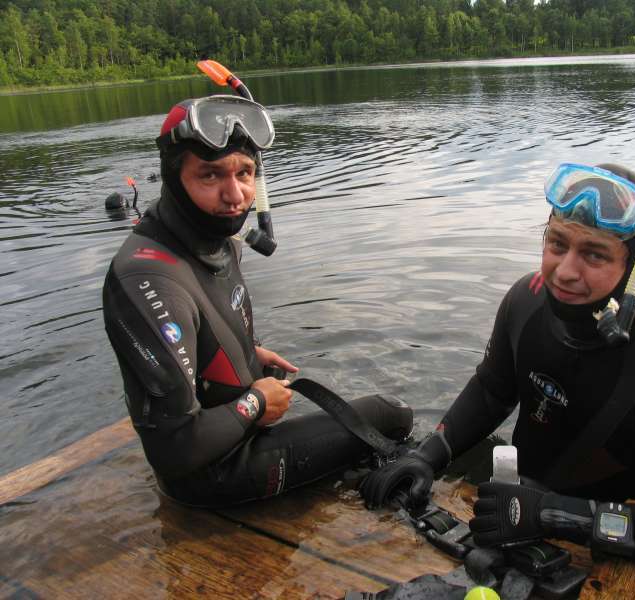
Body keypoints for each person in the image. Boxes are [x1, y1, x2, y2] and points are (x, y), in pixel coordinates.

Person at [361, 162, 635, 564]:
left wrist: (556, 516)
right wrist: (428, 455)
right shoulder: (526, 301)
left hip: (622, 536)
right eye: (557, 244)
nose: (564, 272)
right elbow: (492, 390)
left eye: (594, 255)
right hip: (518, 508)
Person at [103, 94, 412, 507]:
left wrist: (247, 353)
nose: (234, 196)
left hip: (235, 434)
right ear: (174, 178)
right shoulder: (149, 278)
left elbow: (207, 321)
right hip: (210, 475)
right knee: (392, 416)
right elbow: (174, 451)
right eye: (210, 176)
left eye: (245, 173)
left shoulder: (214, 240)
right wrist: (257, 401)